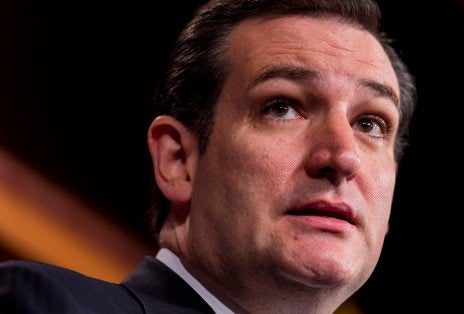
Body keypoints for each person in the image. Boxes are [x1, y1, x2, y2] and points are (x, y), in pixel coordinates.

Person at [0, 0, 417, 312]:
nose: (343, 157)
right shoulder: (46, 305)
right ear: (178, 161)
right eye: (282, 107)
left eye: (370, 124)